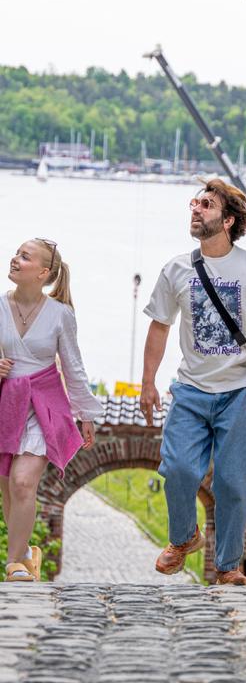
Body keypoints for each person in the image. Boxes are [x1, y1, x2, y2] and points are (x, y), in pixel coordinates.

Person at [141, 179, 246, 584]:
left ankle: (227, 567)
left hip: (240, 395)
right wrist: (148, 383)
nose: (196, 210)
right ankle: (184, 538)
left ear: (228, 220)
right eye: (195, 203)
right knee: (177, 469)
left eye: (206, 205)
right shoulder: (176, 269)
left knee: (233, 484)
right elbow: (159, 328)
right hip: (190, 390)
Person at [0, 239, 101, 582]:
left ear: (43, 273)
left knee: (23, 482)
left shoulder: (60, 314)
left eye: (24, 256)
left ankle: (13, 563)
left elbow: (73, 366)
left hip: (44, 406)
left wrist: (85, 414)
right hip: (6, 404)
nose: (15, 259)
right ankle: (27, 553)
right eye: (17, 253)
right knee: (9, 489)